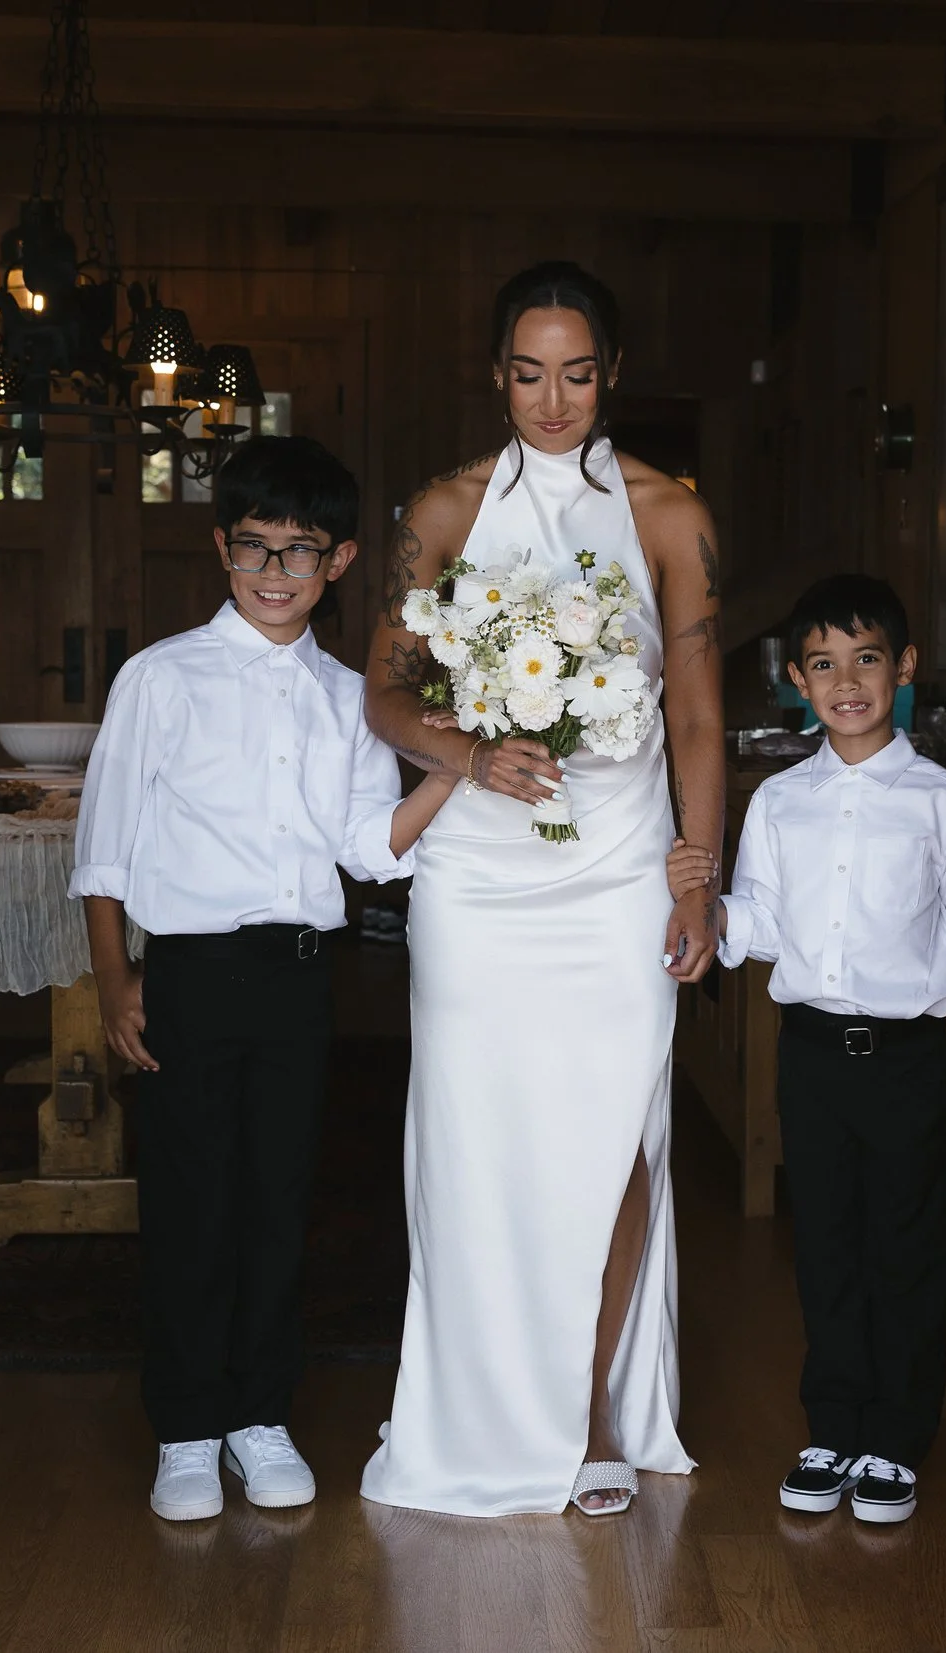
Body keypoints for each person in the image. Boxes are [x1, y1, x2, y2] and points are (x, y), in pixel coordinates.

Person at [356, 261, 725, 1518]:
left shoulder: (672, 515)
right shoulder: (444, 512)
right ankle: (476, 1406)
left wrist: (697, 880)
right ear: (496, 373)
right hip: (481, 875)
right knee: (479, 1141)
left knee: (612, 1129)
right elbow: (386, 693)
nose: (551, 399)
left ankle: (592, 1412)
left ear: (609, 372)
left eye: (575, 371)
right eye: (527, 372)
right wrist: (469, 752)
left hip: (618, 865)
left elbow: (697, 715)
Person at [70, 434, 457, 1523]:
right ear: (220, 549)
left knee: (279, 1197)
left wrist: (452, 769)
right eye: (255, 548)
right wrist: (114, 978)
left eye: (300, 552)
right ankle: (188, 1427)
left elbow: (369, 849)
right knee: (192, 1197)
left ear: (336, 563)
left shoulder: (349, 697)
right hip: (188, 974)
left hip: (295, 977)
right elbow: (106, 841)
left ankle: (259, 1415)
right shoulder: (161, 678)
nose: (276, 572)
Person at [667, 574, 946, 1525]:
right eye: (823, 664)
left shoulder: (943, 803)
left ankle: (896, 1436)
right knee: (825, 1241)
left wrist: (909, 995)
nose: (844, 681)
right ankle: (834, 1424)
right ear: (796, 681)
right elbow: (760, 921)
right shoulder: (779, 801)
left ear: (901, 669)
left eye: (865, 659)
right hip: (809, 1055)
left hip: (904, 1056)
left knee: (909, 1243)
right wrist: (707, 900)